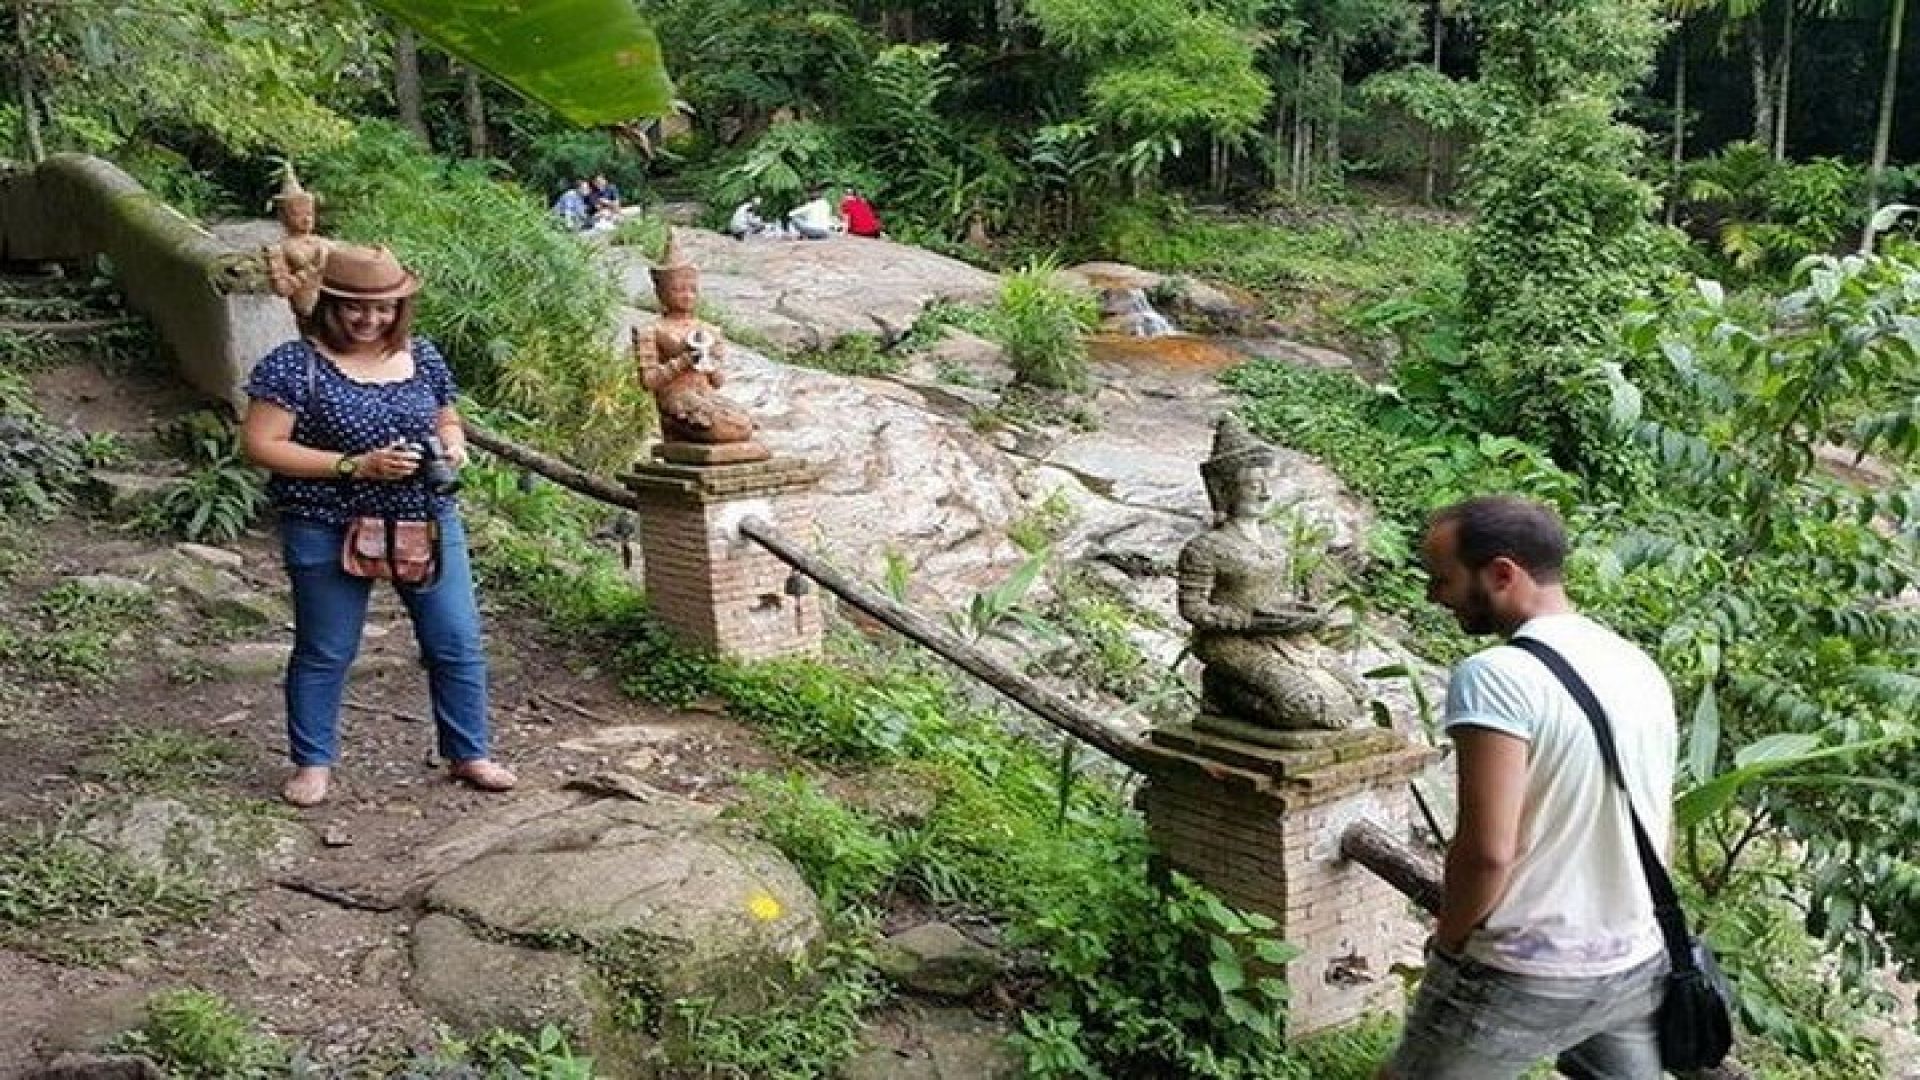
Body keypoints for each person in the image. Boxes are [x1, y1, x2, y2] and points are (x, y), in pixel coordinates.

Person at [1379, 496, 1677, 1080]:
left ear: (1501, 573)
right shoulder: (1635, 664)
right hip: (1635, 957)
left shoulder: (1496, 678)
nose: (1432, 596)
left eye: (1443, 579)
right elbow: (1658, 820)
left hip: (1523, 968)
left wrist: (1450, 946)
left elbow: (1489, 850)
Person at [240, 244, 517, 808]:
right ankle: (312, 763)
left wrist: (454, 446)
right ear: (331, 306)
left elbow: (445, 413)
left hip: (426, 516)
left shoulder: (424, 355)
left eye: (385, 308)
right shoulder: (295, 366)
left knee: (455, 639)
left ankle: (470, 752)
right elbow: (260, 444)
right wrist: (354, 465)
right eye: (356, 309)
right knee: (327, 648)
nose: (371, 319)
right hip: (326, 520)